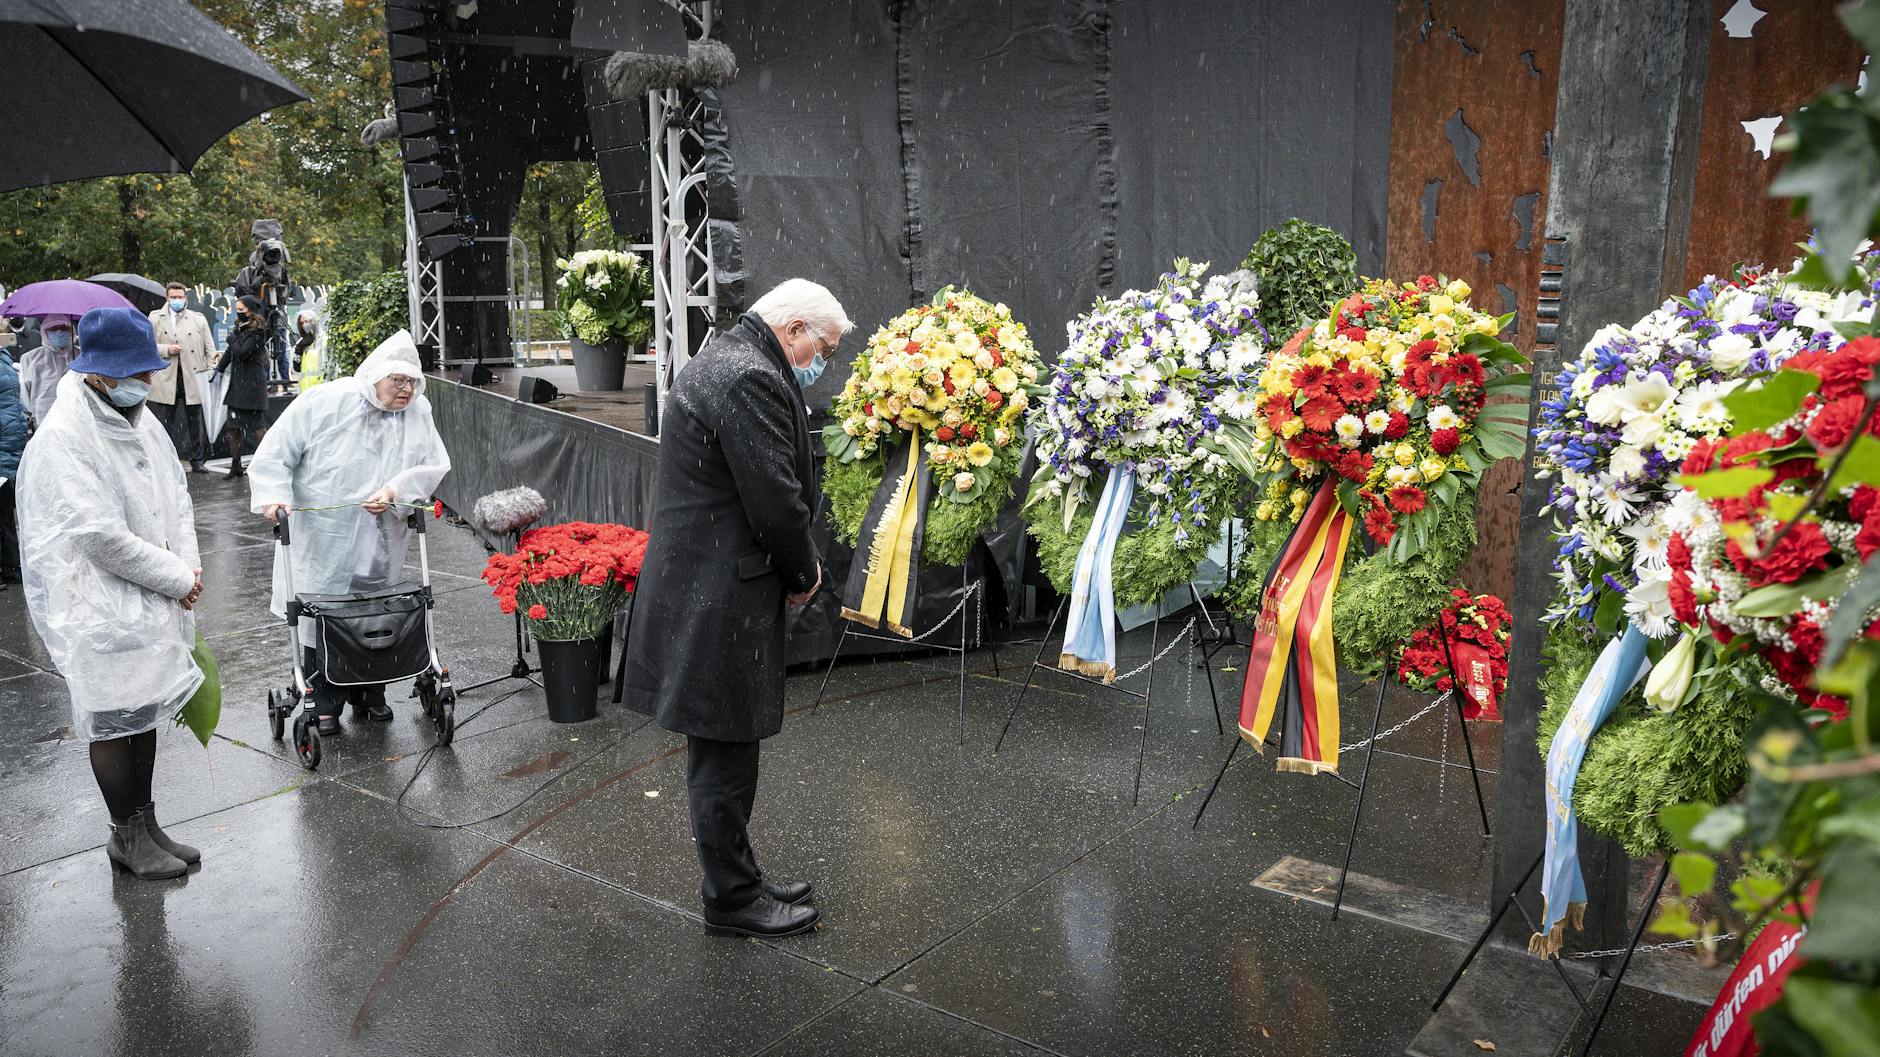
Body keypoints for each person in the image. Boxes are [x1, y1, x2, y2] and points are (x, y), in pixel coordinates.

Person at [622, 278, 849, 939]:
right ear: (796, 328)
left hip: (708, 589)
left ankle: (738, 875)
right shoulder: (747, 375)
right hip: (719, 597)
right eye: (824, 347)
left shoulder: (726, 358)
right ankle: (732, 898)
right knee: (724, 753)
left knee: (725, 749)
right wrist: (804, 570)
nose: (821, 360)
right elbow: (775, 500)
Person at [16, 307, 205, 881]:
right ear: (96, 372)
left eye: (146, 371)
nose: (144, 383)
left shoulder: (138, 416)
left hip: (152, 594)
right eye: (133, 373)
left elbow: (178, 494)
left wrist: (189, 567)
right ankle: (125, 833)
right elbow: (98, 537)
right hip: (97, 604)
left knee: (143, 709)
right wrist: (178, 578)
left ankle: (146, 822)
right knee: (112, 718)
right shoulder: (63, 438)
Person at [248, 330, 451, 737]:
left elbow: (432, 465)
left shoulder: (418, 412)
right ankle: (323, 699)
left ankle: (368, 694)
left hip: (380, 537)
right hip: (324, 537)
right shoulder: (326, 402)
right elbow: (277, 449)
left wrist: (395, 491)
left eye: (412, 381)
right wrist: (273, 497)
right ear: (376, 375)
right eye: (398, 380)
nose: (407, 389)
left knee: (374, 612)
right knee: (323, 614)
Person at [148, 282, 217, 473]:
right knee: (164, 423)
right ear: (167, 298)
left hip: (192, 376)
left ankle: (197, 459)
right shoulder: (155, 318)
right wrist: (166, 349)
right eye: (173, 297)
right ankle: (165, 459)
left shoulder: (198, 319)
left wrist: (210, 371)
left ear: (185, 298)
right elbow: (148, 346)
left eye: (180, 297)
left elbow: (209, 348)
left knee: (195, 421)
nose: (177, 301)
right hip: (166, 376)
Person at [214, 295, 271, 478]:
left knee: (257, 427)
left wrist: (232, 338)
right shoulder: (238, 328)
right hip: (237, 385)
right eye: (237, 309)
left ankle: (266, 463)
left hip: (253, 386)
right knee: (233, 427)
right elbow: (231, 353)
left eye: (242, 309)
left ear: (251, 310)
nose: (239, 312)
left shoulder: (259, 330)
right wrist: (219, 369)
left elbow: (242, 351)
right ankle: (235, 465)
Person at [19, 313, 77, 424]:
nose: (59, 332)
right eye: (54, 328)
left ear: (71, 331)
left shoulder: (81, 356)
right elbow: (24, 394)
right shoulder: (30, 359)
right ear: (44, 331)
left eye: (64, 328)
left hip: (76, 419)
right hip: (44, 420)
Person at [0, 340, 26, 586]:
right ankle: (10, 566)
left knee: (4, 512)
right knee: (6, 513)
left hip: (6, 445)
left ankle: (8, 566)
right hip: (11, 445)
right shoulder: (6, 362)